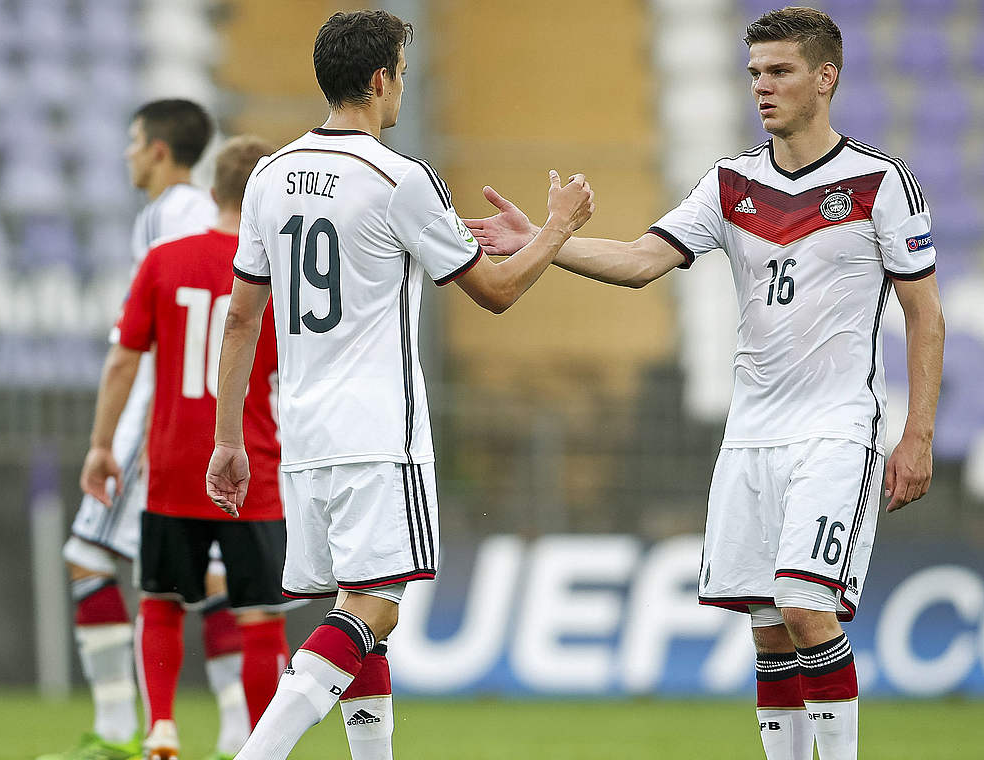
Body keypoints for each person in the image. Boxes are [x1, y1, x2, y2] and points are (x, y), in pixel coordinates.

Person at [467, 8, 942, 759]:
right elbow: (638, 259)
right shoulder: (731, 184)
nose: (762, 86)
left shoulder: (879, 182)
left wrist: (916, 434)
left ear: (826, 77)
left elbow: (924, 314)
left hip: (836, 430)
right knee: (768, 625)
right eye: (754, 72)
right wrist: (545, 240)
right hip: (751, 436)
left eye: (780, 71)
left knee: (805, 604)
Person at [204, 11, 594, 760]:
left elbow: (241, 321)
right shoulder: (400, 178)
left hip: (304, 436)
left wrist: (228, 440)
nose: (403, 90)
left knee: (362, 618)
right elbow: (498, 292)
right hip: (380, 433)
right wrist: (557, 228)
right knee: (374, 609)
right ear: (381, 79)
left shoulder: (269, 175)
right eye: (404, 75)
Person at [42, 99, 253, 760]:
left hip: (160, 416)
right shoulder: (212, 221)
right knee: (215, 577)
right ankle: (237, 733)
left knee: (89, 555)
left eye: (134, 142)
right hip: (216, 417)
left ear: (159, 151)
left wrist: (106, 440)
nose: (129, 154)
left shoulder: (169, 218)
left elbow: (136, 344)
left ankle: (114, 734)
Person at [80, 136, 291, 760]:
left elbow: (123, 361)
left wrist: (100, 445)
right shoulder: (277, 276)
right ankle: (259, 744)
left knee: (162, 600)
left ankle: (162, 729)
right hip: (253, 461)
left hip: (173, 460)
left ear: (215, 191)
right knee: (259, 616)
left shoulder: (165, 260)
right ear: (261, 200)